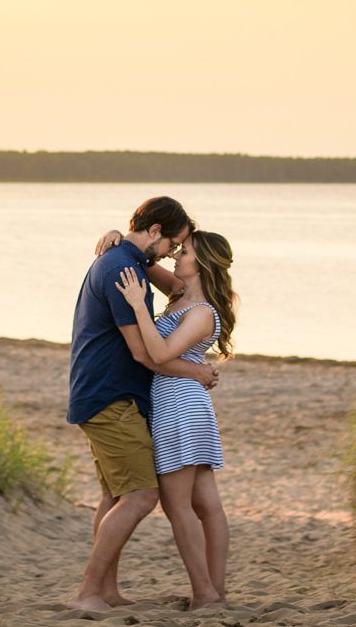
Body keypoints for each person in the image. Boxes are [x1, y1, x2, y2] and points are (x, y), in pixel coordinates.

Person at [67, 197, 219, 612]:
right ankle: (87, 593)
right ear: (155, 232)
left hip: (107, 394)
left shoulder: (125, 260)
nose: (173, 255)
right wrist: (197, 373)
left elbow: (178, 287)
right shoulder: (120, 268)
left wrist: (121, 239)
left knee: (116, 497)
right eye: (174, 243)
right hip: (110, 396)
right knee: (139, 496)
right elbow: (144, 354)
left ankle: (106, 590)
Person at [115, 230, 237, 609]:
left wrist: (137, 306)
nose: (177, 256)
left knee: (178, 506)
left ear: (200, 264)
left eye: (184, 252)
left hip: (179, 407)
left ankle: (204, 593)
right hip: (183, 401)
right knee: (206, 505)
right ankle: (215, 593)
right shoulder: (180, 297)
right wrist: (117, 237)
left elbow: (161, 352)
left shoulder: (201, 313)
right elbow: (145, 259)